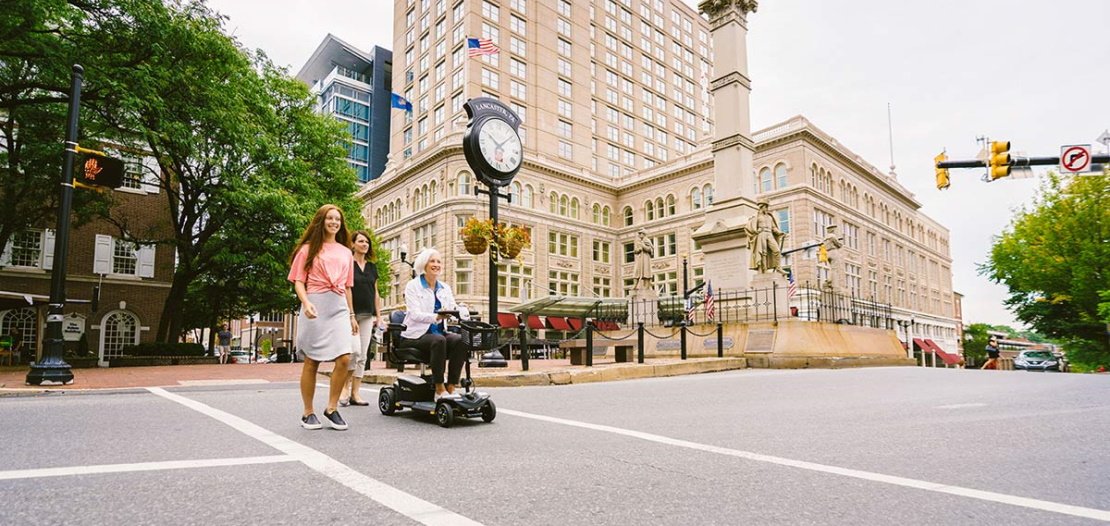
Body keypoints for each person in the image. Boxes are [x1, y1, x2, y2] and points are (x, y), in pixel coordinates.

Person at [288, 204, 357, 430]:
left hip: (338, 306)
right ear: (322, 221)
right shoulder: (308, 249)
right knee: (312, 361)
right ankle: (308, 412)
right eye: (330, 218)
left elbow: (347, 287)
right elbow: (298, 280)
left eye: (338, 219)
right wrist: (306, 302)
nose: (334, 222)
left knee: (345, 358)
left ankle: (332, 408)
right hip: (315, 304)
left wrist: (352, 315)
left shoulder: (346, 252)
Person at [400, 248, 468, 399]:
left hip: (439, 333)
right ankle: (439, 388)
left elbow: (452, 308)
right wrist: (436, 317)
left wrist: (461, 310)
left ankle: (451, 386)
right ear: (424, 264)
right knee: (439, 340)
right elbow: (415, 314)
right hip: (415, 334)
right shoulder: (413, 285)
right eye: (432, 261)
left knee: (461, 340)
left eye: (438, 261)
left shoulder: (445, 288)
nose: (436, 264)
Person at [340, 230, 384, 407]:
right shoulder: (347, 264)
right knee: (353, 351)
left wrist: (379, 316)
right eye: (360, 241)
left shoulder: (372, 267)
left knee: (363, 355)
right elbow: (345, 289)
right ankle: (344, 387)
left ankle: (355, 393)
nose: (365, 244)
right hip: (350, 314)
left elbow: (376, 292)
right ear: (352, 244)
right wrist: (350, 314)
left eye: (367, 242)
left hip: (367, 314)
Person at [746, 201, 785, 274]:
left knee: (777, 251)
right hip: (762, 234)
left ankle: (778, 268)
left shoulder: (770, 217)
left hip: (769, 234)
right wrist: (756, 231)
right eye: (766, 207)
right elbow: (748, 227)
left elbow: (773, 227)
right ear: (762, 207)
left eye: (767, 207)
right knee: (763, 252)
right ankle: (764, 269)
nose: (767, 208)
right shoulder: (755, 217)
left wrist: (780, 232)